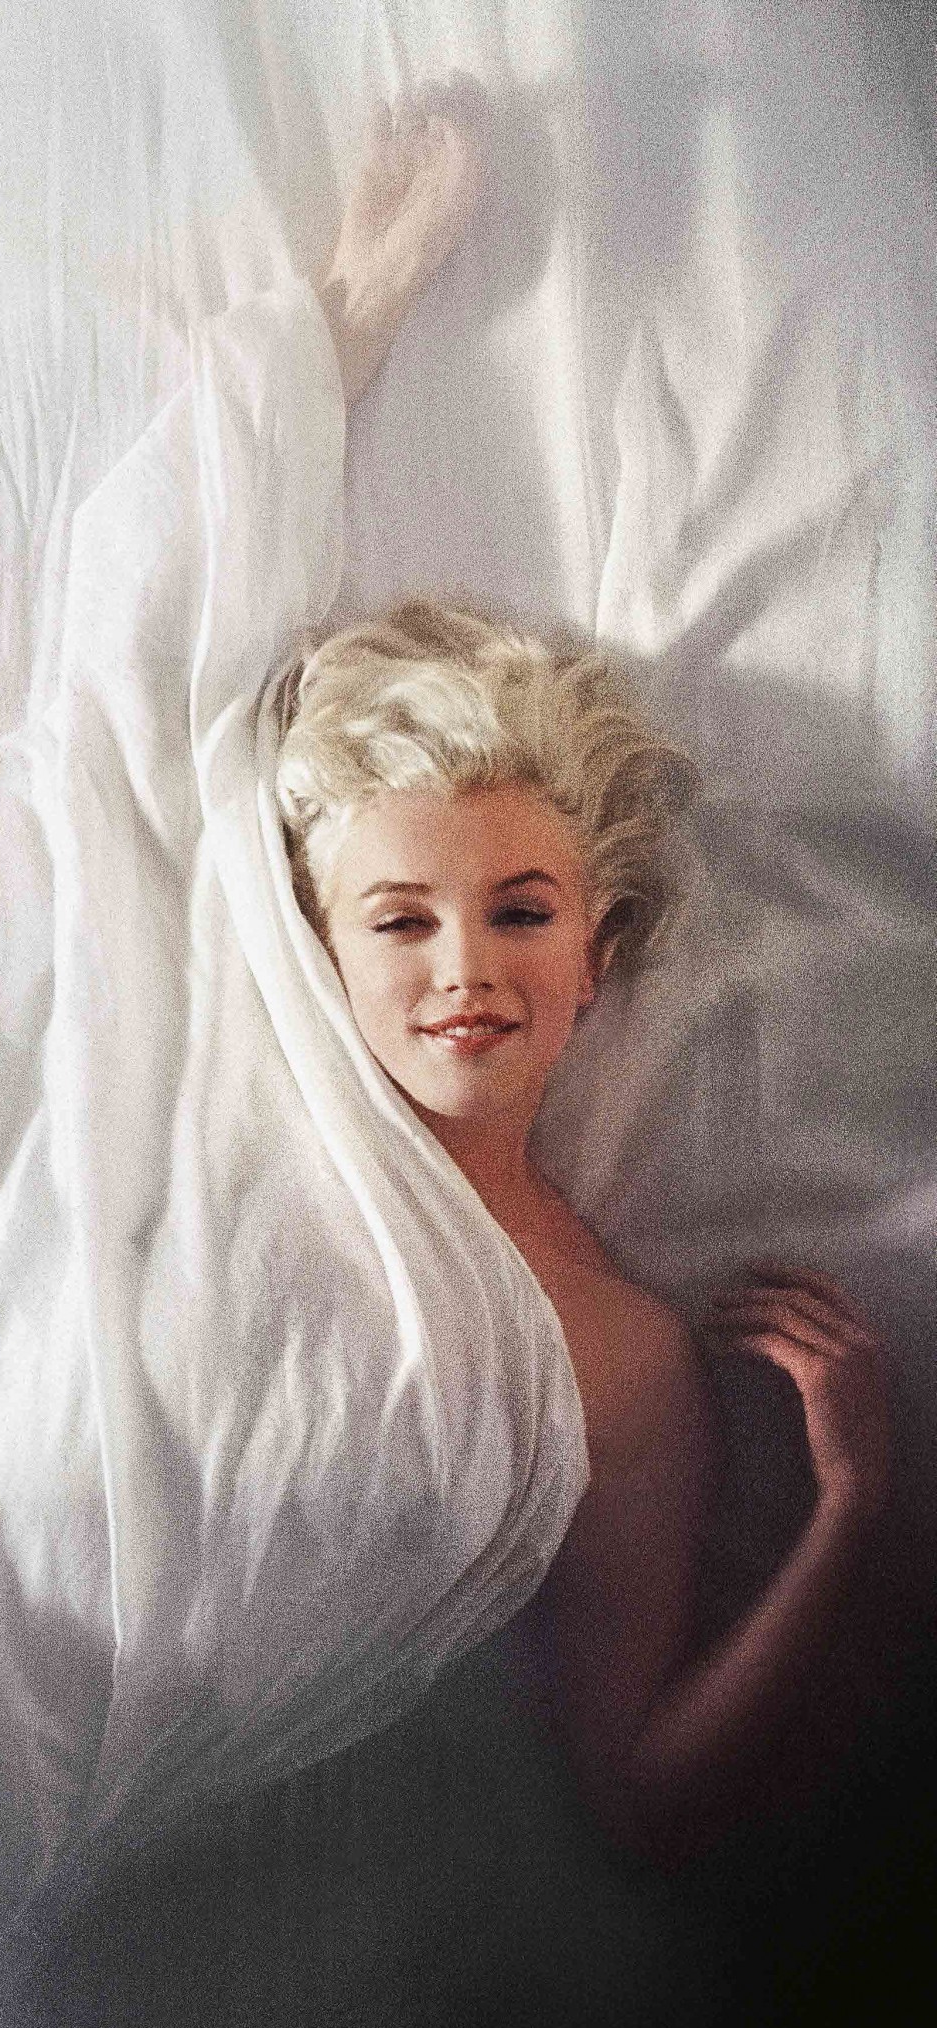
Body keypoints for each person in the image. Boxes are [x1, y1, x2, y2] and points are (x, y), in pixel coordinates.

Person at [288, 87, 891, 1863]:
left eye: (522, 911)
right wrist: (342, 322)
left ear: (600, 954)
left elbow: (641, 1791)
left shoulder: (618, 1351)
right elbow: (132, 670)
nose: (464, 969)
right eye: (401, 921)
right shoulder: (256, 1114)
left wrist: (855, 1509)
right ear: (320, 945)